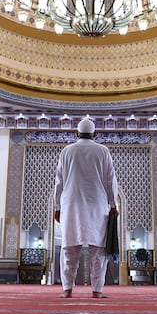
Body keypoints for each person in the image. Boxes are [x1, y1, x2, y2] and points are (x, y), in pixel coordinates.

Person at [53, 117, 119, 299]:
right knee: (98, 250)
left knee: (69, 249)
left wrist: (57, 207)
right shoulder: (103, 151)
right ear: (95, 134)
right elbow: (110, 180)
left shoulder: (67, 151)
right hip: (97, 205)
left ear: (76, 134)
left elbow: (59, 182)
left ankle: (67, 290)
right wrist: (113, 204)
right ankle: (97, 291)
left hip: (70, 205)